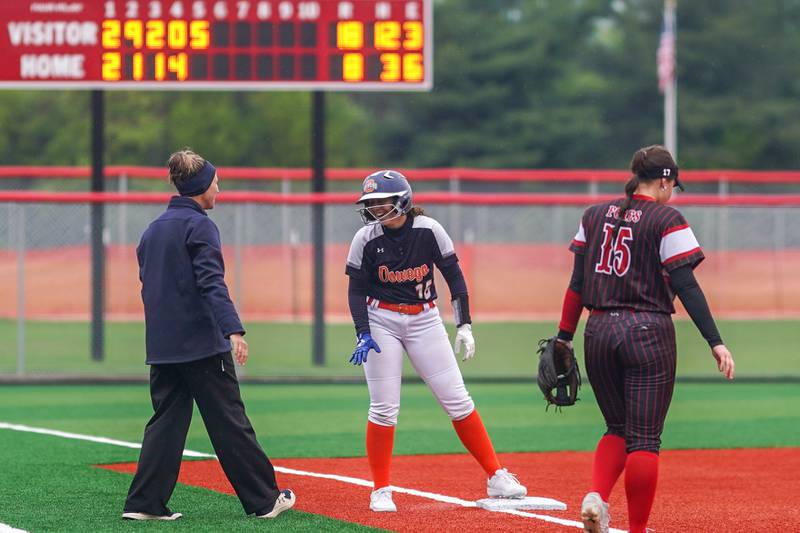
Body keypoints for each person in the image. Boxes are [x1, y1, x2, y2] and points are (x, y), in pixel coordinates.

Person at [554, 145, 735, 533]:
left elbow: (577, 285)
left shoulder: (593, 214)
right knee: (645, 439)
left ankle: (597, 496)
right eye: (674, 184)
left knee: (616, 426)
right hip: (647, 331)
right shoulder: (667, 218)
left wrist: (563, 338)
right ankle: (636, 530)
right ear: (665, 179)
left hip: (598, 330)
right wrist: (714, 341)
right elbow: (685, 283)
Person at [122, 149, 295, 521]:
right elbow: (211, 282)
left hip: (164, 347)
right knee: (230, 424)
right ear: (201, 187)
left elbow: (148, 285)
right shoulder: (200, 226)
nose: (219, 187)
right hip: (202, 347)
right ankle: (265, 500)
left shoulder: (153, 230)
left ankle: (144, 504)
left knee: (165, 424)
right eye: (216, 181)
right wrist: (232, 329)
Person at [345, 170, 527, 513]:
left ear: (402, 201)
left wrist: (464, 325)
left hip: (425, 318)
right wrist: (363, 331)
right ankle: (381, 489)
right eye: (369, 203)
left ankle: (496, 474)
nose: (373, 208)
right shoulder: (365, 238)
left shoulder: (430, 230)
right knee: (384, 408)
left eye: (380, 201)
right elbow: (355, 290)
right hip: (381, 318)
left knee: (458, 399)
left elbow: (454, 276)